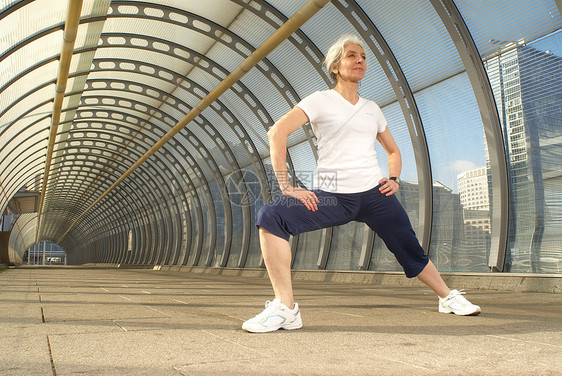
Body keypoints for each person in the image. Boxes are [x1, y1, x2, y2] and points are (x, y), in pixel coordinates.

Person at [242, 35, 481, 333]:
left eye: (363, 57)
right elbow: (277, 132)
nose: (359, 61)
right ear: (335, 66)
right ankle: (286, 309)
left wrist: (393, 179)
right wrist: (287, 187)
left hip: (374, 195)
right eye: (351, 56)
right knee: (272, 216)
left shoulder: (372, 108)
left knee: (408, 246)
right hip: (332, 194)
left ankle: (447, 297)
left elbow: (393, 151)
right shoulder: (319, 100)